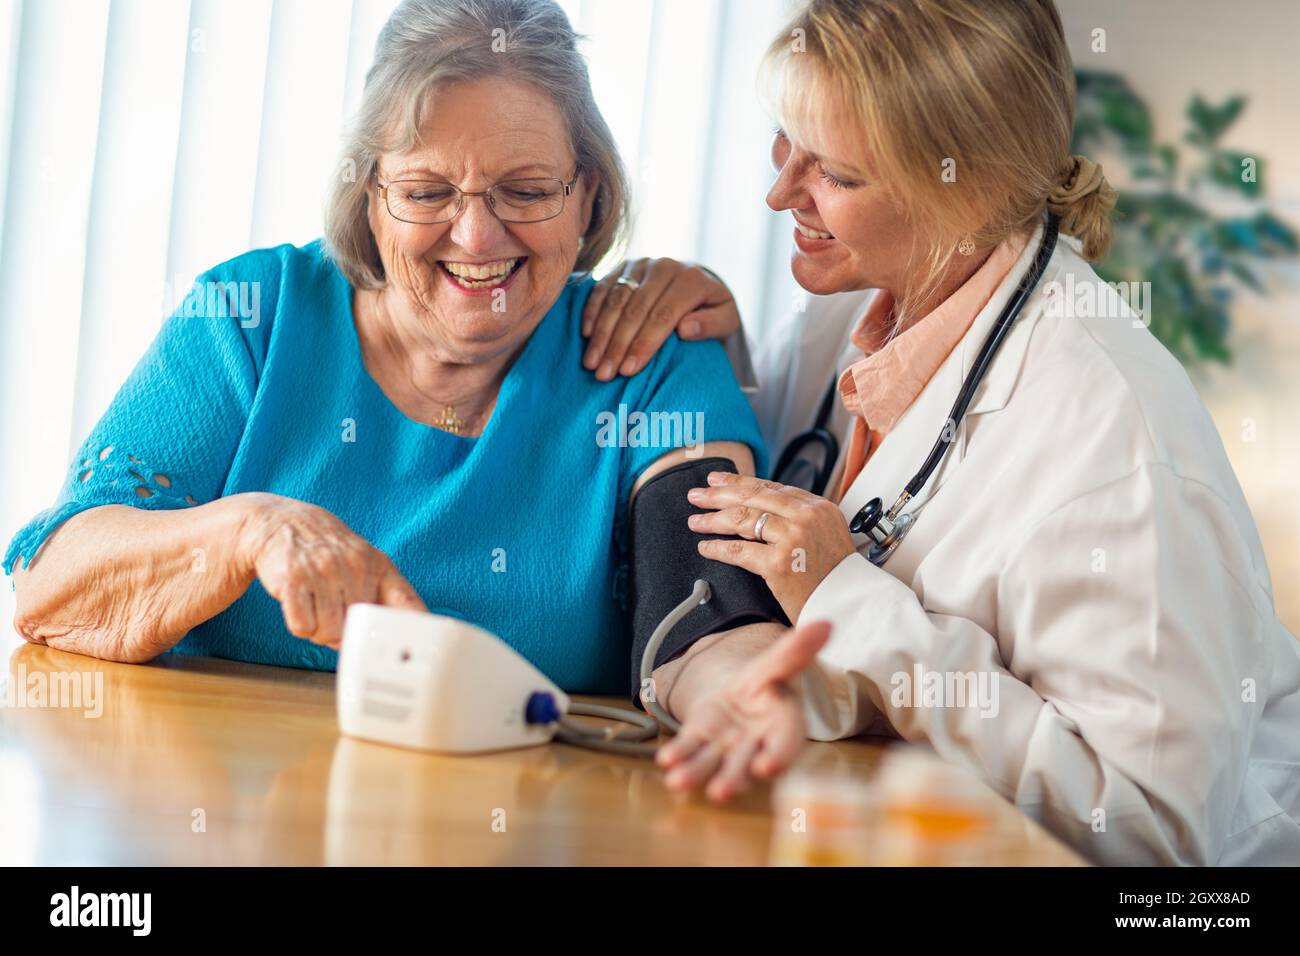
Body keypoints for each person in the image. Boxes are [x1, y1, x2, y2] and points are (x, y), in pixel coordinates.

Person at [586, 0, 1300, 865]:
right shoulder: (849, 311)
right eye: (786, 137)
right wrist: (712, 353)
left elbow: (1150, 831)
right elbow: (774, 507)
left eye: (837, 176)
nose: (779, 192)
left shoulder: (1120, 438)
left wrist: (853, 605)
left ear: (968, 188)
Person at [3, 0, 766, 695]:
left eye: (528, 191)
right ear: (370, 197)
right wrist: (251, 528)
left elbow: (706, 633)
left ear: (589, 194)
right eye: (427, 191)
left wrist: (744, 698)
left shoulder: (655, 351)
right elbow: (52, 589)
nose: (475, 236)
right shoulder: (253, 317)